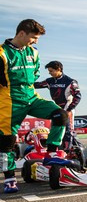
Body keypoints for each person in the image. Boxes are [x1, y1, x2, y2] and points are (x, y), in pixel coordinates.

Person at [0, 20, 68, 193]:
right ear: (21, 33)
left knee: (60, 114)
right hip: (9, 101)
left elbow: (35, 73)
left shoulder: (34, 52)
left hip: (31, 96)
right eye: (33, 37)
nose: (36, 41)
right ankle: (9, 179)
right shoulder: (2, 53)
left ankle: (51, 154)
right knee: (6, 142)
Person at [34, 60, 82, 150]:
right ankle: (68, 150)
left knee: (68, 130)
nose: (49, 73)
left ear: (59, 69)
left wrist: (69, 109)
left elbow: (78, 96)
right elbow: (36, 85)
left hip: (67, 108)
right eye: (49, 71)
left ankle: (68, 151)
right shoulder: (49, 81)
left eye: (51, 71)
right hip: (56, 109)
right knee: (57, 129)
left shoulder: (70, 82)